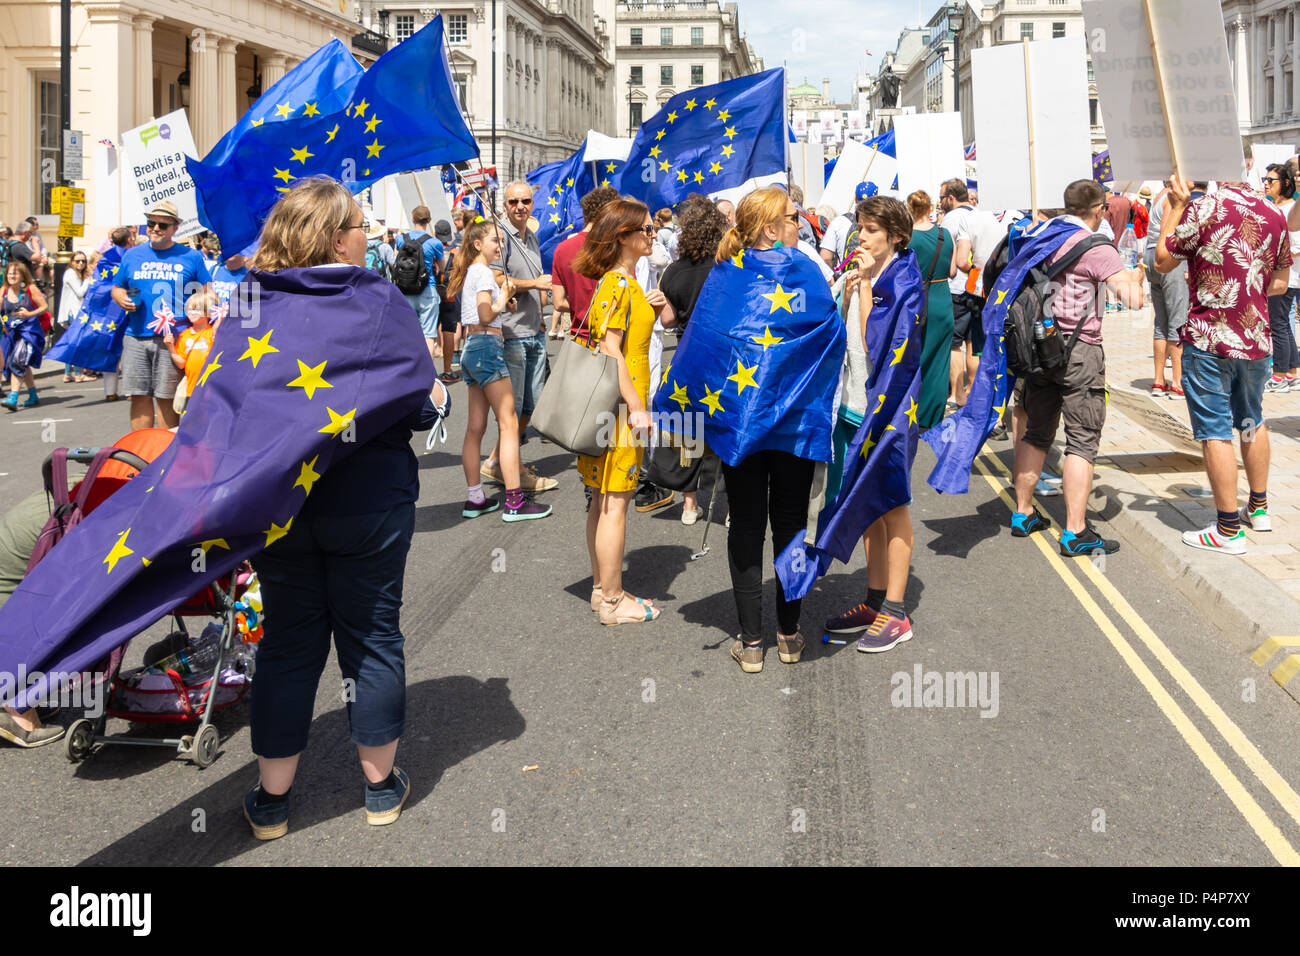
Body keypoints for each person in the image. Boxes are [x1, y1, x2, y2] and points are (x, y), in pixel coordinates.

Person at [239, 177, 452, 839]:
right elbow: (417, 404)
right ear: (336, 236)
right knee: (372, 637)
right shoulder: (376, 298)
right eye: (359, 224)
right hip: (369, 501)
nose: (368, 234)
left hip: (279, 504)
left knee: (287, 646)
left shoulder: (252, 300)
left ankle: (272, 801)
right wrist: (438, 395)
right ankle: (380, 789)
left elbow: (228, 406)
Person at [1010, 180, 1144, 555]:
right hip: (1080, 351)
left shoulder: (1042, 234)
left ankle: (1022, 513)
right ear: (1099, 209)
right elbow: (1132, 301)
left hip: (1038, 347)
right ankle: (1075, 531)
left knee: (1036, 433)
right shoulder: (1098, 247)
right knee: (1082, 441)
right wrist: (1137, 279)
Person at [1160, 174, 1291, 555]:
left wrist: (1176, 206)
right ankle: (1260, 508)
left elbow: (1163, 260)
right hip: (1255, 337)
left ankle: (1228, 528)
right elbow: (1281, 282)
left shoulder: (1204, 206)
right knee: (1251, 419)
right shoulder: (1273, 211)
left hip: (1210, 337)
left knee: (1215, 429)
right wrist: (1245, 288)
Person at [822, 196, 926, 651]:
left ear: (896, 236)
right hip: (854, 402)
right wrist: (848, 291)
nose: (859, 236)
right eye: (859, 228)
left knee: (892, 505)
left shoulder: (904, 281)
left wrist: (863, 288)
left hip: (889, 410)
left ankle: (897, 613)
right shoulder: (870, 274)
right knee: (867, 505)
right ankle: (875, 597)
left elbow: (876, 342)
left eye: (869, 230)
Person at [572, 198, 665, 626]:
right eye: (646, 229)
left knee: (603, 502)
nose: (653, 234)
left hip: (611, 409)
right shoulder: (618, 285)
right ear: (623, 236)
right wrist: (636, 407)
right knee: (615, 503)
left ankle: (602, 589)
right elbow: (612, 351)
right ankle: (612, 599)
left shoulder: (622, 284)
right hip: (620, 411)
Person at [446, 219, 552, 522]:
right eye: (496, 240)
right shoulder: (481, 271)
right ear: (478, 244)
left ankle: (475, 498)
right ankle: (515, 502)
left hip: (471, 351)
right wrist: (503, 297)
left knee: (475, 428)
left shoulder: (473, 273)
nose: (500, 245)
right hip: (488, 349)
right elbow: (483, 313)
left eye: (502, 241)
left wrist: (502, 302)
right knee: (509, 424)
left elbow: (482, 311)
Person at [656, 195, 728, 523]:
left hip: (687, 356)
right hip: (725, 357)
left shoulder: (673, 270)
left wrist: (661, 305)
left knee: (689, 428)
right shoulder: (729, 266)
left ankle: (688, 503)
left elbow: (668, 320)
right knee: (727, 426)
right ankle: (733, 508)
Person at [480, 182, 556, 493]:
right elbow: (497, 277)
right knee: (516, 409)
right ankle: (511, 466)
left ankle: (499, 460)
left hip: (533, 330)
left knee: (529, 408)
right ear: (506, 204)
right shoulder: (502, 236)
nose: (520, 206)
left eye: (525, 200)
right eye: (513, 201)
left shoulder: (533, 237)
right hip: (513, 333)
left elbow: (533, 280)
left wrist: (542, 298)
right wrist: (535, 284)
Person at [110, 200, 211, 430]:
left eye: (162, 225)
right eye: (151, 223)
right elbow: (117, 287)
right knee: (138, 396)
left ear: (175, 228)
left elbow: (206, 293)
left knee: (166, 397)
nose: (155, 228)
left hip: (173, 339)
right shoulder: (132, 255)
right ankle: (141, 453)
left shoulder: (191, 257)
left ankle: (164, 456)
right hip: (136, 334)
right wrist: (120, 297)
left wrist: (208, 324)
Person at [905, 190, 956, 430]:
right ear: (929, 209)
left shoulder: (908, 238)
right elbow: (954, 270)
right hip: (942, 298)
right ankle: (932, 414)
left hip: (917, 299)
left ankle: (912, 410)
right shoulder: (945, 235)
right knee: (939, 359)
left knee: (917, 356)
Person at [553, 185, 621, 347]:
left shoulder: (562, 249)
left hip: (579, 338)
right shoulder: (617, 248)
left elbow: (558, 302)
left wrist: (580, 305)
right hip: (614, 340)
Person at [1144, 181, 1187, 398]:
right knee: (1177, 319)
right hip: (1166, 257)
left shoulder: (1160, 194)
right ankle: (1177, 382)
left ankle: (1158, 380)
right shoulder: (1172, 197)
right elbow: (1167, 234)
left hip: (1150, 255)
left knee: (1161, 321)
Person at [1264, 164, 1300, 394]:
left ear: (1285, 184)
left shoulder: (1290, 209)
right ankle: (1292, 372)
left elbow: (1295, 245)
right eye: (1265, 179)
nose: (1266, 183)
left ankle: (1279, 375)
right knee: (1283, 325)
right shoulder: (1274, 207)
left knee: (1279, 325)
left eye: (1271, 180)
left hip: (1287, 277)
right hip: (1281, 275)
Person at [395, 205, 445, 364]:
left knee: (408, 333)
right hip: (426, 290)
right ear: (429, 220)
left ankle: (408, 369)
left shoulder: (400, 239)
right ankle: (427, 373)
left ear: (412, 218)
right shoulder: (435, 243)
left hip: (404, 290)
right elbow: (443, 268)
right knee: (428, 335)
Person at [1, 262, 48, 409]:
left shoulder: (30, 289)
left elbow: (44, 306)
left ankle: (13, 396)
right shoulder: (3, 290)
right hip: (10, 332)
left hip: (29, 332)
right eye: (9, 273)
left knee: (17, 360)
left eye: (15, 273)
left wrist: (29, 314)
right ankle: (33, 394)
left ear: (22, 275)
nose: (12, 276)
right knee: (22, 363)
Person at [164, 290, 218, 413]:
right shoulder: (184, 335)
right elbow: (181, 363)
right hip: (191, 390)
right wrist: (171, 348)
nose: (192, 312)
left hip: (211, 389)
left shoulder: (213, 333)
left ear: (208, 312)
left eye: (196, 309)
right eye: (189, 309)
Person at [58, 250, 94, 383]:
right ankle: (78, 374)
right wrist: (87, 280)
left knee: (72, 343)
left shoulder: (75, 274)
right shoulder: (71, 274)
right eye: (77, 261)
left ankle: (68, 373)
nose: (80, 263)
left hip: (75, 312)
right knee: (76, 344)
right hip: (73, 313)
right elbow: (80, 293)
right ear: (71, 262)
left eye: (83, 261)